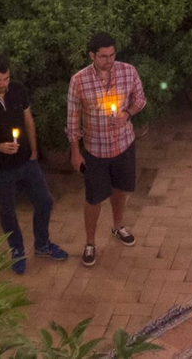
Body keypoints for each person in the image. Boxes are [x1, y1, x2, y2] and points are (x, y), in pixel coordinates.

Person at [0, 54, 68, 274]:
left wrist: (34, 150)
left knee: (45, 202)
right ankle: (17, 251)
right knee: (8, 212)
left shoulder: (18, 90)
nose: (3, 84)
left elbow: (28, 119)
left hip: (26, 161)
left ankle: (42, 244)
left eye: (6, 78)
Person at [65, 31, 146, 267]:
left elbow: (140, 100)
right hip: (95, 151)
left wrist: (127, 113)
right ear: (92, 55)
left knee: (121, 189)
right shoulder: (78, 81)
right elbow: (72, 120)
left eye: (112, 55)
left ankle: (118, 226)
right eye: (103, 56)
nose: (108, 60)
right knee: (93, 198)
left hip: (123, 145)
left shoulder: (128, 71)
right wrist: (75, 151)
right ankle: (90, 242)